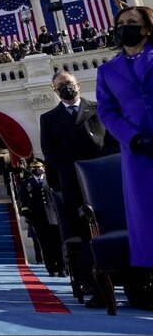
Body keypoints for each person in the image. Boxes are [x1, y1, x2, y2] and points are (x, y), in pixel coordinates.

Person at [39, 70, 119, 306]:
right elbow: (50, 152)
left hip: (104, 181)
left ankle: (135, 283)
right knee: (87, 235)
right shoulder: (49, 118)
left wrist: (99, 166)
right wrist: (76, 167)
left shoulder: (98, 109)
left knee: (113, 227)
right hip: (75, 182)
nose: (66, 88)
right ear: (54, 91)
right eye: (60, 86)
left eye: (69, 83)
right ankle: (98, 286)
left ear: (78, 84)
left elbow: (113, 143)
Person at [96, 5, 153, 268]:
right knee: (147, 215)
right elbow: (107, 112)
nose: (124, 28)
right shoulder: (107, 71)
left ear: (147, 28)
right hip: (139, 152)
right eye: (120, 24)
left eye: (131, 22)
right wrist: (135, 139)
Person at [18, 161, 65, 277]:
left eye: (39, 167)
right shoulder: (26, 184)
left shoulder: (51, 180)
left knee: (58, 244)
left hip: (54, 217)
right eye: (34, 168)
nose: (37, 169)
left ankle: (61, 269)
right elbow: (23, 201)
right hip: (38, 218)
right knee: (45, 245)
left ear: (43, 168)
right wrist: (27, 215)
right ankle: (51, 269)